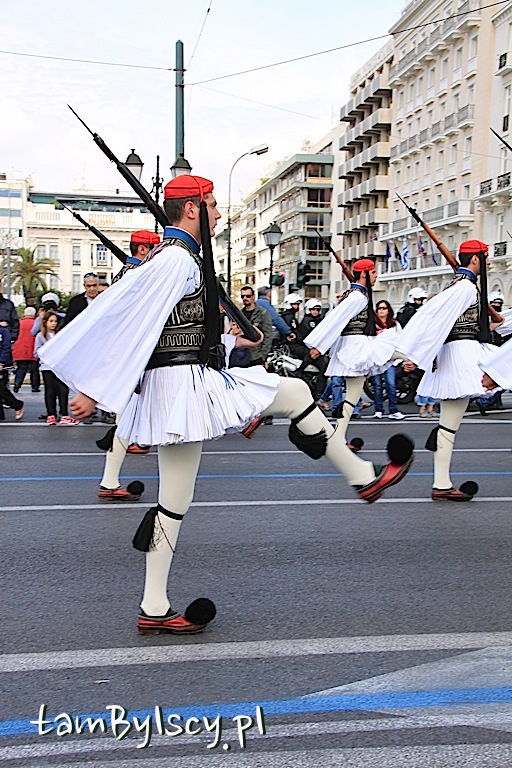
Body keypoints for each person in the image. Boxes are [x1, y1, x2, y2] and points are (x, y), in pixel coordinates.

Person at [39, 173, 413, 635]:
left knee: (174, 501)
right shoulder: (177, 259)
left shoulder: (175, 257)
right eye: (213, 205)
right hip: (181, 383)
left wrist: (230, 336)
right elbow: (129, 319)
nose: (218, 214)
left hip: (180, 382)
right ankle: (362, 478)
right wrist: (94, 387)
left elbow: (166, 323)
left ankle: (153, 605)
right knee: (295, 394)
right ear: (192, 209)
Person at [396, 239, 503, 502]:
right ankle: (441, 484)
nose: (488, 262)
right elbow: (431, 318)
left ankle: (441, 480)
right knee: (449, 427)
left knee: (448, 425)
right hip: (459, 355)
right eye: (486, 257)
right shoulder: (464, 287)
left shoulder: (464, 285)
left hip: (463, 351)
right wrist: (414, 354)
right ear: (476, 260)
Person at [305, 259, 400, 445]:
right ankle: (337, 437)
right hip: (355, 346)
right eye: (373, 272)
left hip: (357, 343)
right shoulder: (357, 297)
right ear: (364, 274)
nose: (376, 276)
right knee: (394, 348)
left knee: (352, 397)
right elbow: (335, 319)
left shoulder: (358, 294)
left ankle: (338, 436)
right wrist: (319, 346)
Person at [98, 230, 162, 500]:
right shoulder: (137, 276)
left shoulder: (128, 274)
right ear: (143, 250)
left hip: (126, 358)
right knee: (124, 421)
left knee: (128, 418)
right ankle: (109, 481)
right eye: (155, 249)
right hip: (130, 359)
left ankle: (137, 441)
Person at [35, 311, 80, 425]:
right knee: (50, 390)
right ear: (45, 322)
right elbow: (36, 352)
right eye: (51, 321)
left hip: (59, 367)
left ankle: (64, 414)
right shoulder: (41, 336)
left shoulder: (60, 335)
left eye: (55, 321)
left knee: (63, 390)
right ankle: (51, 414)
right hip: (47, 367)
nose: (53, 324)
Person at [372, 300, 404, 420]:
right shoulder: (372, 324)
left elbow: (400, 339)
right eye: (379, 308)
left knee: (391, 385)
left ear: (388, 310)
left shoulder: (394, 324)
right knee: (377, 386)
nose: (381, 310)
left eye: (384, 308)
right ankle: (378, 410)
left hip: (390, 360)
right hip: (376, 360)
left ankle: (393, 410)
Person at [240, 285, 273, 366]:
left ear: (253, 297)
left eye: (248, 296)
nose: (245, 298)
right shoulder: (240, 314)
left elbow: (268, 335)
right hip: (241, 356)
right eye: (242, 296)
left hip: (256, 356)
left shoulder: (262, 313)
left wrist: (262, 356)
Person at [13, 307, 40, 393]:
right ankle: (35, 387)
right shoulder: (36, 323)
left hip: (20, 349)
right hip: (32, 348)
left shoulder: (19, 323)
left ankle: (17, 384)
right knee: (34, 370)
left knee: (21, 368)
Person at [0, 321, 24, 420]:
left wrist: (1, 362)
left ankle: (17, 404)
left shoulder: (3, 331)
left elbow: (6, 347)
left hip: (3, 365)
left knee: (1, 389)